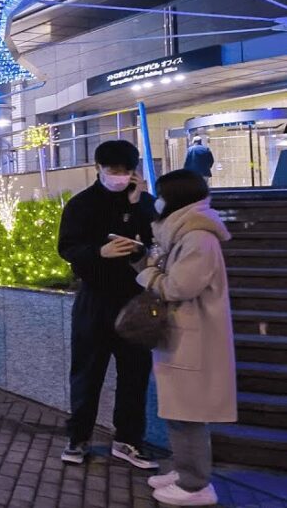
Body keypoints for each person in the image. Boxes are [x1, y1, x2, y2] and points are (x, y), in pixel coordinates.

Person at [135, 170, 235, 506]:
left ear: (175, 198)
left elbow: (179, 286)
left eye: (160, 194)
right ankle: (184, 470)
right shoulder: (181, 233)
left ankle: (196, 485)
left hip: (193, 338)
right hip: (180, 336)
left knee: (189, 414)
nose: (156, 200)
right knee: (178, 411)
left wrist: (147, 273)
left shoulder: (198, 238)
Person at [57, 140, 159, 469]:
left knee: (135, 372)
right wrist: (97, 253)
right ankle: (79, 437)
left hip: (134, 299)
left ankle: (128, 440)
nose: (119, 176)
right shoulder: (81, 204)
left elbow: (158, 240)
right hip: (95, 299)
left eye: (126, 171)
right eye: (113, 170)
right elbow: (68, 247)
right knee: (87, 373)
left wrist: (139, 205)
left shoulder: (145, 203)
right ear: (98, 168)